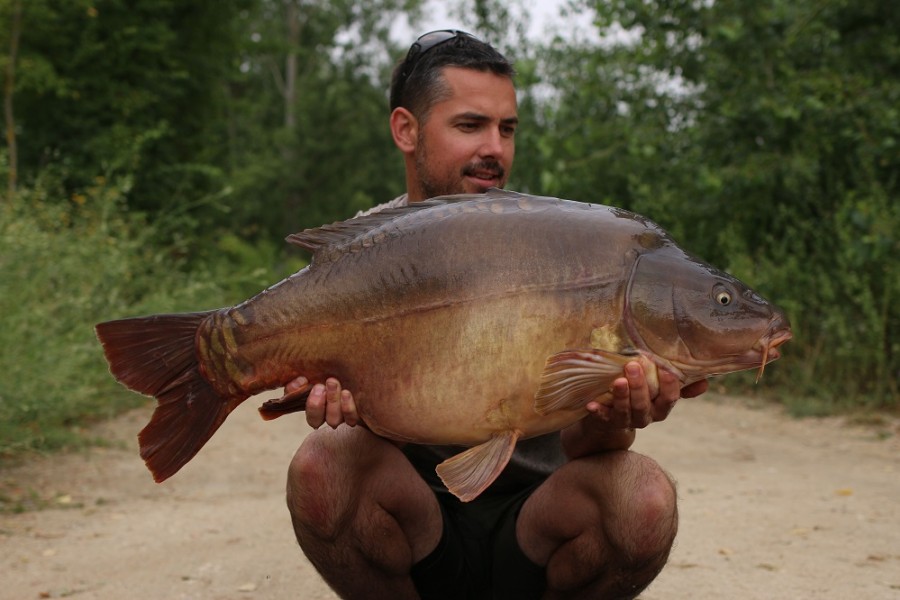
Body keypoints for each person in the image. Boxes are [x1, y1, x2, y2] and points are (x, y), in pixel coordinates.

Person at [282, 30, 708, 599]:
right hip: (417, 520)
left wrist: (616, 413)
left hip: (538, 523)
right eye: (470, 125)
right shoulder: (363, 258)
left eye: (507, 129)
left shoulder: (554, 242)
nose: (495, 149)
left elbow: (588, 451)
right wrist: (344, 405)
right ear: (406, 130)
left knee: (642, 497)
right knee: (324, 463)